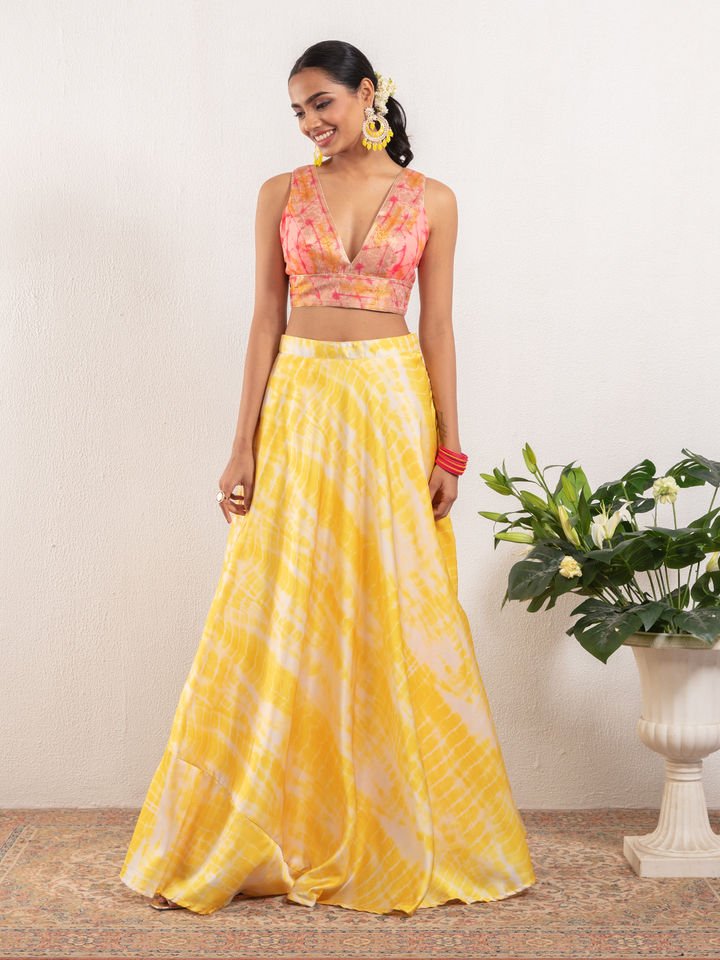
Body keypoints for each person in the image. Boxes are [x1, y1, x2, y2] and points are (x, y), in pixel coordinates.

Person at [119, 39, 537, 917]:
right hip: (301, 404)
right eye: (299, 110)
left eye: (323, 103)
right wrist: (241, 444)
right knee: (280, 597)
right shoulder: (281, 193)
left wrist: (451, 449)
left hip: (390, 406)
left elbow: (439, 328)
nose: (311, 122)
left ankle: (400, 827)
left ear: (367, 94)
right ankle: (263, 824)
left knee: (396, 600)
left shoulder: (433, 199)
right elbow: (264, 320)